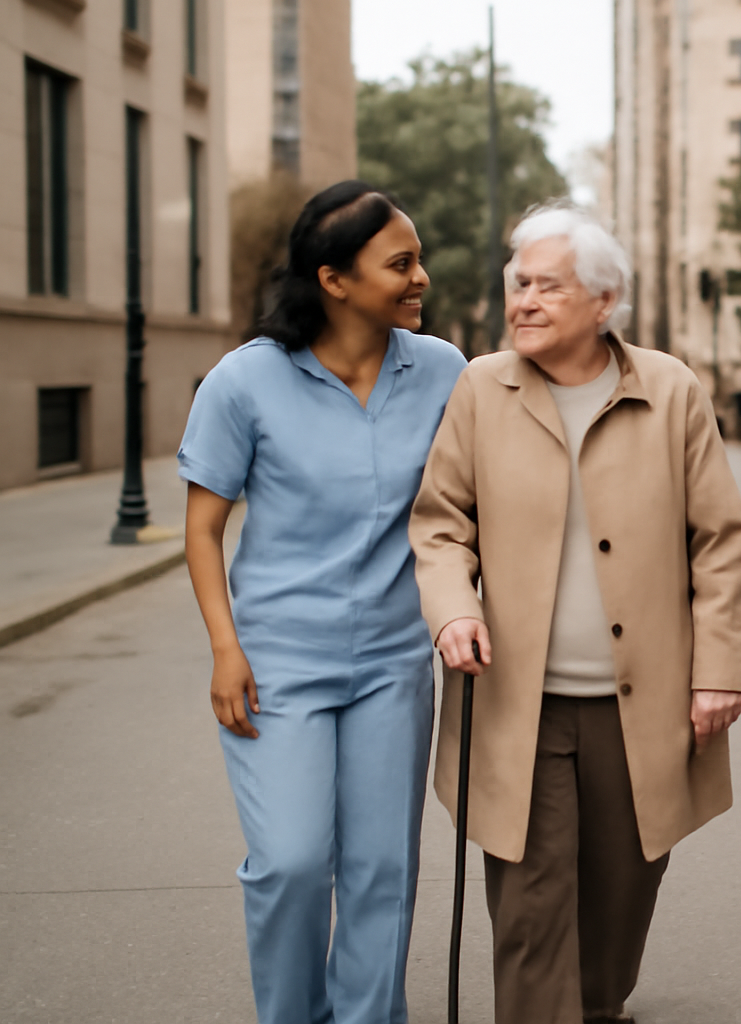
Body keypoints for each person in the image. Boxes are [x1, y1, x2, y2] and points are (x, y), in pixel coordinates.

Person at [409, 203, 741, 1024]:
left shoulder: (669, 390)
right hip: (516, 701)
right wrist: (454, 609)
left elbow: (721, 540)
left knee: (621, 890)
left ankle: (597, 1006)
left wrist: (719, 673)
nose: (524, 301)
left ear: (603, 301)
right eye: (517, 284)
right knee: (529, 907)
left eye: (546, 286)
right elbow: (440, 521)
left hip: (645, 703)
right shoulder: (481, 388)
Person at [179, 181, 467, 1023]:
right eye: (401, 263)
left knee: (383, 868)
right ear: (334, 280)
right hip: (279, 662)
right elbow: (203, 531)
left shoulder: (443, 369)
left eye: (418, 260)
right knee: (292, 862)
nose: (421, 278)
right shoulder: (245, 382)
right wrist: (225, 649)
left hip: (392, 660)